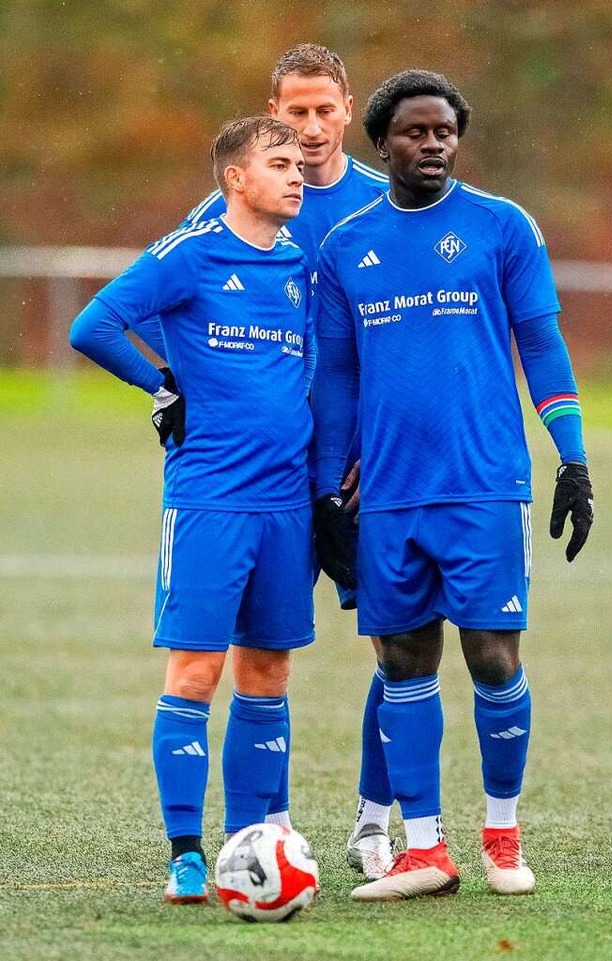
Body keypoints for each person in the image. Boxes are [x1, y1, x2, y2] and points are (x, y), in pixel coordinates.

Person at [312, 69, 594, 901]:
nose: (432, 143)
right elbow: (336, 381)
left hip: (483, 485)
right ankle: (424, 850)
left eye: (444, 131)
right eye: (414, 132)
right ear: (382, 143)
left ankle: (501, 834)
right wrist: (329, 491)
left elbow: (541, 346)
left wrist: (571, 458)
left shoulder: (501, 226)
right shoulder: (344, 249)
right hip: (388, 495)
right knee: (402, 660)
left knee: (493, 655)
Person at [138, 42, 396, 880]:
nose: (311, 129)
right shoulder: (222, 216)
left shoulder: (383, 205)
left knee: (395, 648)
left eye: (326, 110)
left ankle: (374, 821)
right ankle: (264, 830)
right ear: (270, 115)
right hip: (246, 475)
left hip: (354, 470)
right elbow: (151, 300)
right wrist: (165, 383)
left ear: (349, 109)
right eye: (294, 113)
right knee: (235, 661)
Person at [70, 116, 316, 903]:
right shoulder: (191, 252)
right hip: (210, 498)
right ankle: (184, 850)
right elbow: (94, 324)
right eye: (278, 163)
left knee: (269, 672)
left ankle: (258, 843)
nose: (298, 172)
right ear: (236, 180)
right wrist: (158, 384)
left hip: (288, 503)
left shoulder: (301, 263)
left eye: (300, 163)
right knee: (197, 670)